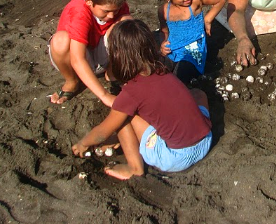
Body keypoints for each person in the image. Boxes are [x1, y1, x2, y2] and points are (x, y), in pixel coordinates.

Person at [71, 19, 213, 181]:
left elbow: (102, 133)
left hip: (174, 157)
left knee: (123, 118)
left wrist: (83, 143)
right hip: (205, 141)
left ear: (117, 56)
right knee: (198, 94)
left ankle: (134, 168)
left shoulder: (131, 92)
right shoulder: (162, 71)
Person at [48, 0, 132, 106]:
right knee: (60, 41)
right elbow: (77, 59)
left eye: (115, 10)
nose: (111, 15)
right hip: (77, 57)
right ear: (88, 1)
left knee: (127, 22)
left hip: (102, 55)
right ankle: (72, 81)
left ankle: (112, 72)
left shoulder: (116, 3)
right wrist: (104, 95)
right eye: (106, 11)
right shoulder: (79, 12)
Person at [157, 0, 225, 84]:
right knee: (158, 69)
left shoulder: (195, 0)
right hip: (173, 47)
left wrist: (208, 19)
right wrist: (163, 43)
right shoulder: (163, 10)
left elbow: (220, 0)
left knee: (179, 75)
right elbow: (164, 30)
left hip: (193, 49)